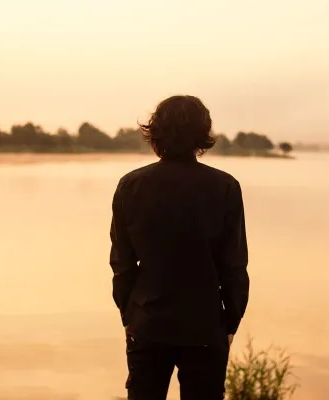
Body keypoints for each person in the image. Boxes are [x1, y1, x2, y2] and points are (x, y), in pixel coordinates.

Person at [109, 95, 250, 399]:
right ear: (203, 134)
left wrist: (129, 316)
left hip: (147, 322)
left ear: (155, 132)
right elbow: (234, 266)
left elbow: (122, 263)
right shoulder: (225, 187)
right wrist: (231, 322)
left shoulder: (130, 185)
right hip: (205, 325)